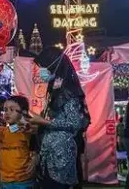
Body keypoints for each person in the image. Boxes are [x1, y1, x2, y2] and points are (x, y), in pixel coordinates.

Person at [31, 47, 90, 189]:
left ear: (53, 65)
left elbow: (74, 122)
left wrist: (44, 122)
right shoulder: (55, 90)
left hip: (61, 155)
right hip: (50, 152)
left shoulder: (69, 91)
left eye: (43, 67)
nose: (41, 71)